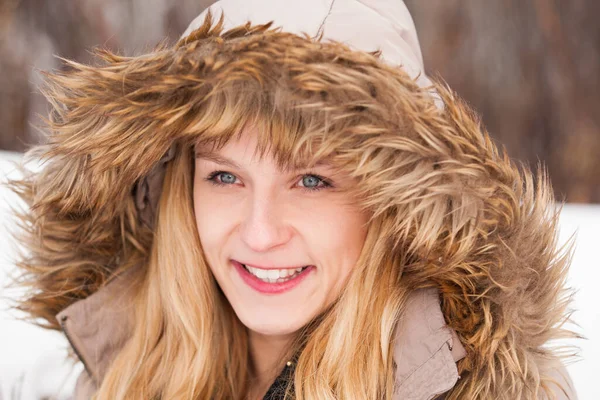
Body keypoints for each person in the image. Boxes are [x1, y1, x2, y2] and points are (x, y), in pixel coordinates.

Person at [8, 0, 579, 399]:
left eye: (312, 181)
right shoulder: (128, 364)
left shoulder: (496, 390)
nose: (260, 232)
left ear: (394, 205)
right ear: (179, 186)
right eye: (225, 177)